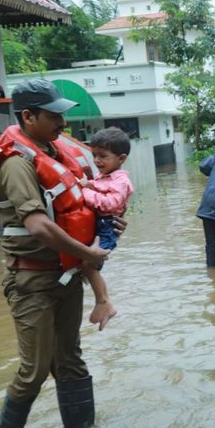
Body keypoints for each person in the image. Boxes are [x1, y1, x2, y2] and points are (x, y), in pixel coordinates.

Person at [0, 78, 112, 428]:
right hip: (32, 280)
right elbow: (37, 225)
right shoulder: (15, 164)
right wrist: (88, 255)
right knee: (33, 370)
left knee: (70, 360)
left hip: (65, 277)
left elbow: (78, 206)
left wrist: (105, 225)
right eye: (54, 117)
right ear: (28, 116)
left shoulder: (52, 153)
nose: (63, 124)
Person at [78, 126, 134, 331]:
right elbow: (100, 189)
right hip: (101, 225)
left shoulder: (121, 181)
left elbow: (109, 204)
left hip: (107, 227)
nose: (97, 161)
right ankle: (102, 301)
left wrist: (84, 192)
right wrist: (90, 185)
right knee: (86, 264)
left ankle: (104, 302)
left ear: (121, 158)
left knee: (89, 264)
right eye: (94, 155)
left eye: (103, 156)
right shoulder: (105, 176)